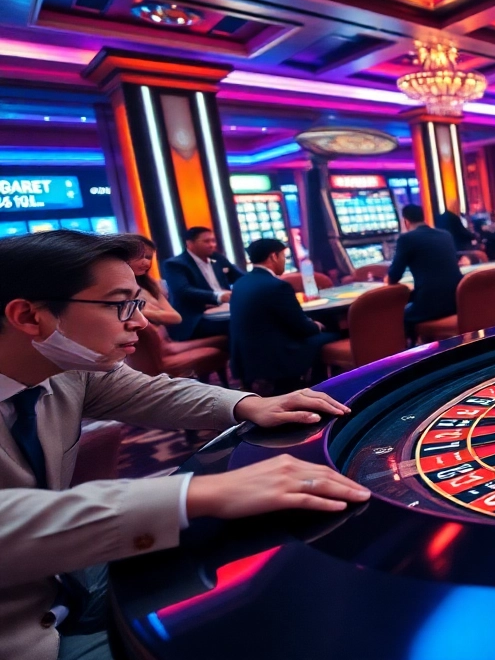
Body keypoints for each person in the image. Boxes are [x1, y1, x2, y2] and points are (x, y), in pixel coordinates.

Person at [0, 230, 367, 660]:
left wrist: (251, 403)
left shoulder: (65, 369)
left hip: (64, 575)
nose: (140, 321)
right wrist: (196, 491)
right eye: (120, 304)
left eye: (137, 303)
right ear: (28, 316)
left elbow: (151, 392)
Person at [228, 239, 341, 393]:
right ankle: (325, 386)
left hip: (247, 356)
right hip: (278, 354)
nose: (284, 261)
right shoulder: (277, 285)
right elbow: (302, 328)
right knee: (336, 334)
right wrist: (316, 325)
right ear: (273, 256)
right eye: (283, 256)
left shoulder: (240, 283)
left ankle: (317, 384)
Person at [389, 204, 463, 333]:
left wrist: (387, 278)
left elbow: (394, 277)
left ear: (405, 221)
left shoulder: (406, 239)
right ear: (424, 218)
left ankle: (411, 351)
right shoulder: (445, 235)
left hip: (430, 306)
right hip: (456, 301)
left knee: (393, 316)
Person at [161, 227, 244, 341]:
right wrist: (217, 296)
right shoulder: (175, 264)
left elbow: (240, 278)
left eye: (213, 240)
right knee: (241, 322)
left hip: (223, 309)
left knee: (255, 315)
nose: (212, 245)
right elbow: (184, 291)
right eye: (206, 241)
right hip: (195, 318)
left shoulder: (218, 258)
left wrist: (262, 278)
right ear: (189, 243)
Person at [128, 235, 180, 327]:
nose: (146, 262)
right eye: (140, 256)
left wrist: (146, 312)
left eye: (149, 257)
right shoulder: (116, 288)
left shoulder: (149, 285)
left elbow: (176, 318)